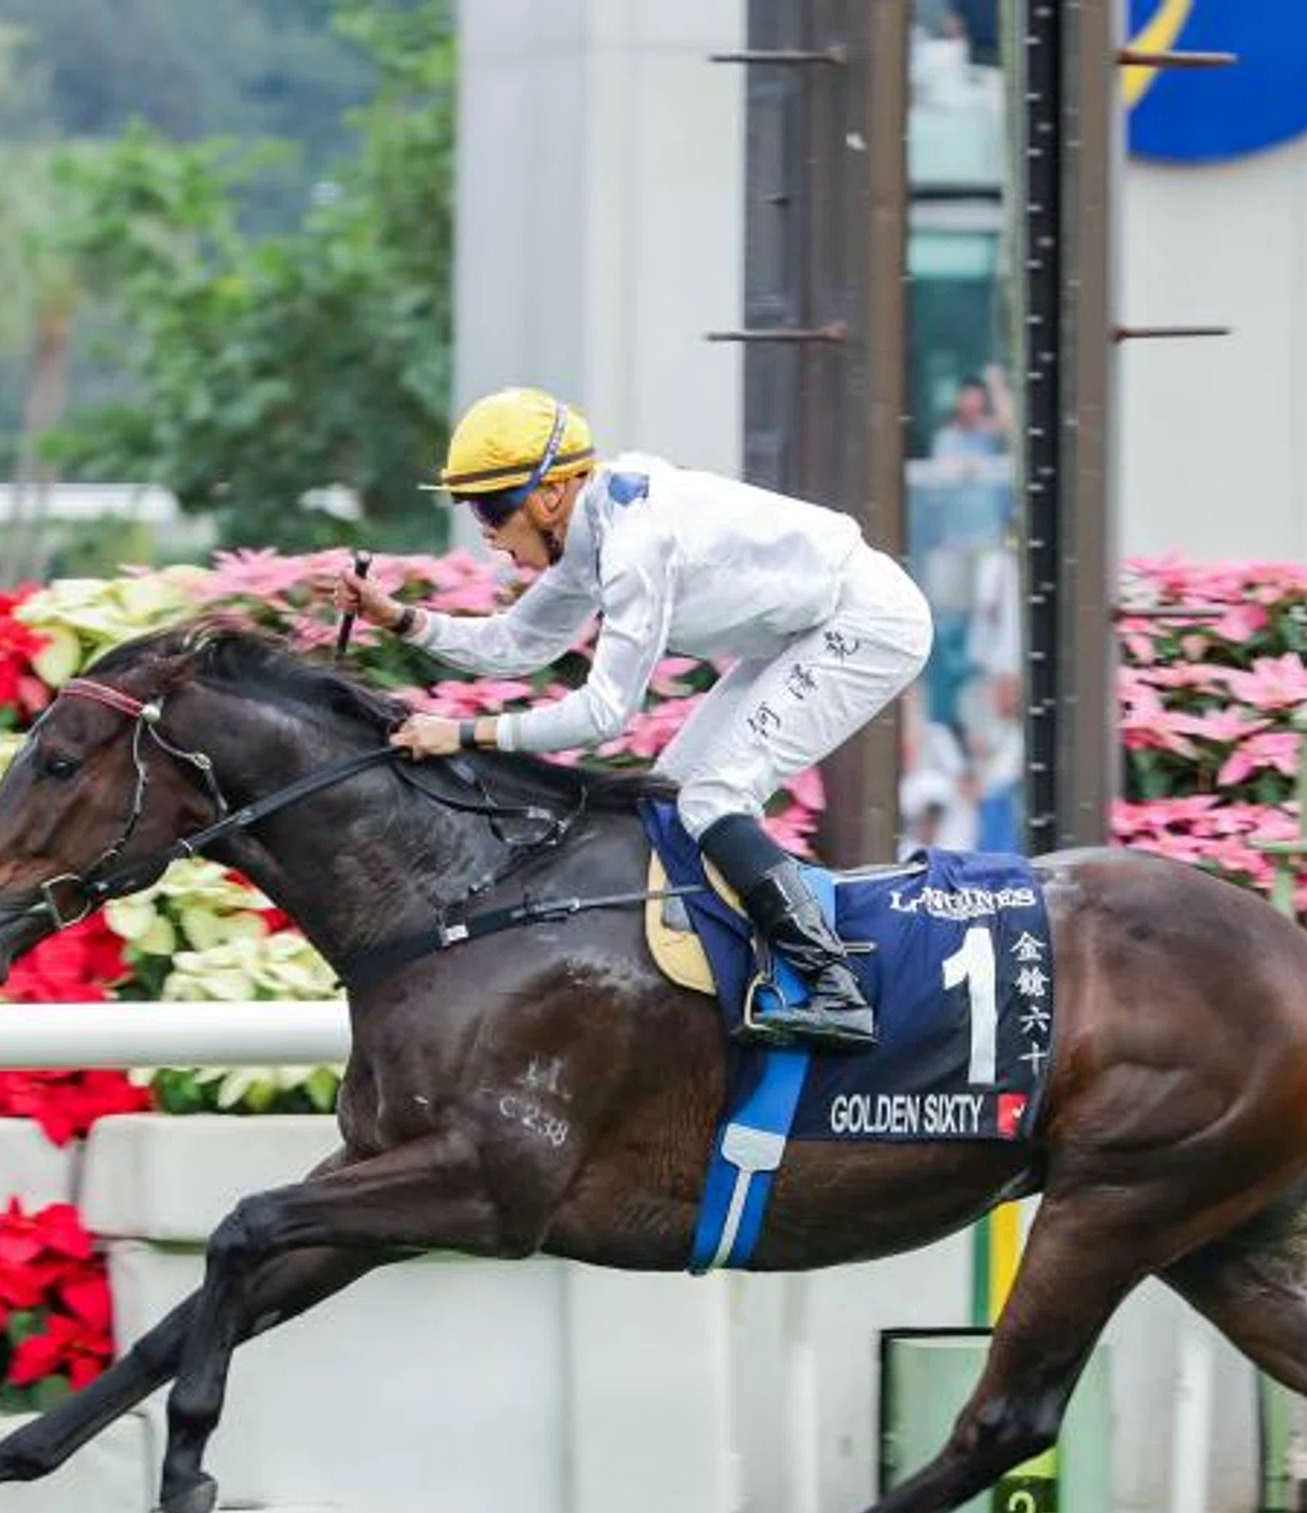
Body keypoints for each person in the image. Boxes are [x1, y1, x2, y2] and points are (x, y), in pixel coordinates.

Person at [335, 386, 934, 1054]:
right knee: (673, 796)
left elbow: (602, 715)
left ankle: (836, 990)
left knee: (712, 798)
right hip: (804, 628)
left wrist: (464, 732)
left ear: (550, 495)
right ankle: (714, 980)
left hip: (867, 621)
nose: (486, 530)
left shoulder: (633, 545)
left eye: (492, 506)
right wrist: (399, 618)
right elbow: (517, 643)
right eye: (472, 507)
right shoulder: (591, 528)